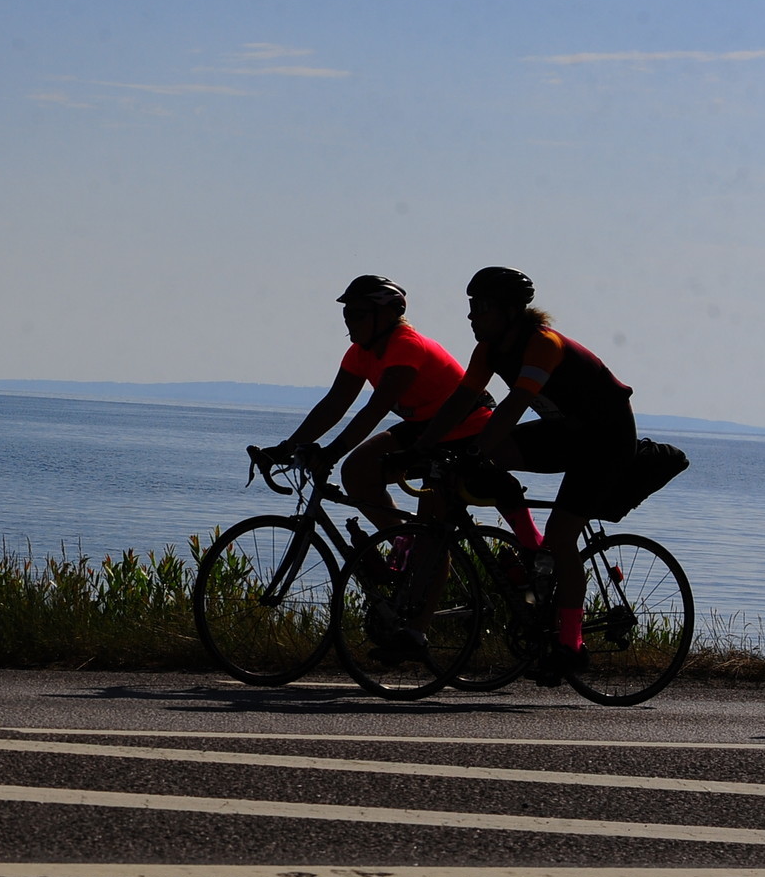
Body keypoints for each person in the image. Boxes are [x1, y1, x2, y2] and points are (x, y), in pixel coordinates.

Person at [403, 267, 637, 675]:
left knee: (561, 537)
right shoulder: (488, 350)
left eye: (480, 307)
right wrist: (421, 448)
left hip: (606, 441)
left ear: (510, 312)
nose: (471, 315)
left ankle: (571, 646)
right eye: (471, 306)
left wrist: (475, 452)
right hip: (566, 432)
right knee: (479, 460)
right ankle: (532, 550)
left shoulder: (543, 344)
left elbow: (513, 406)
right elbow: (460, 402)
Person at [261, 275, 514, 538]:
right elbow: (334, 404)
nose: (348, 321)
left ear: (386, 315)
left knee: (430, 535)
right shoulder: (361, 352)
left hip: (465, 429)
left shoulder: (406, 346)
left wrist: (331, 453)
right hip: (423, 427)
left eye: (357, 314)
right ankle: (403, 544)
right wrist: (285, 448)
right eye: (346, 313)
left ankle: (421, 554)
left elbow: (375, 409)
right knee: (356, 472)